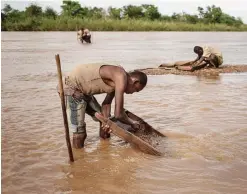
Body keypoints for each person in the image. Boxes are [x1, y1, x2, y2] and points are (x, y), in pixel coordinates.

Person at [59, 63, 147, 148]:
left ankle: (104, 148)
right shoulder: (121, 76)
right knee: (80, 132)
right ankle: (78, 158)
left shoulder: (118, 79)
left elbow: (107, 103)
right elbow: (118, 114)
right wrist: (132, 123)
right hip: (70, 88)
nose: (132, 93)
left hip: (83, 91)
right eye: (135, 90)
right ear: (135, 82)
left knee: (103, 119)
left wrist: (106, 121)